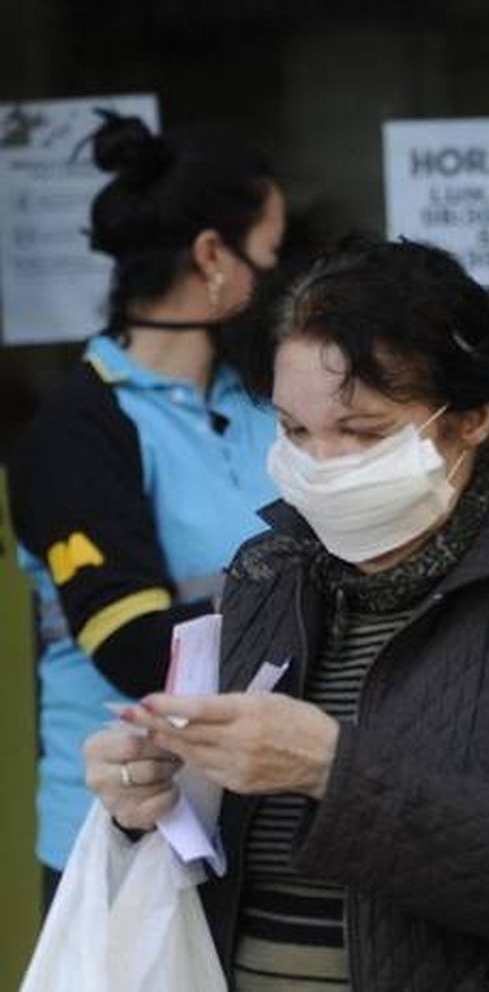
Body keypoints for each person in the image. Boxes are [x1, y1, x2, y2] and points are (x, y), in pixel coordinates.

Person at [84, 238, 489, 991]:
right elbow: (220, 856)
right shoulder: (271, 569)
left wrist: (334, 771)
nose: (321, 463)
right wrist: (144, 804)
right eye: (296, 430)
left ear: (472, 419)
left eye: (362, 432)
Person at [6, 111, 285, 908]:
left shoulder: (263, 397)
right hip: (126, 830)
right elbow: (133, 646)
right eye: (269, 257)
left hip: (260, 816)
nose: (279, 282)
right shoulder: (80, 428)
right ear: (212, 258)